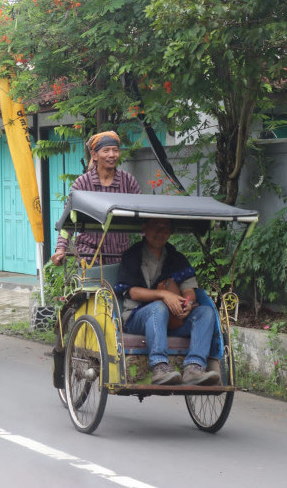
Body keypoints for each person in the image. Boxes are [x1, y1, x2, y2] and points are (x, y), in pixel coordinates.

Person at [116, 218, 221, 386]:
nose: (161, 232)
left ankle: (194, 366)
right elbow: (133, 292)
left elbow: (189, 291)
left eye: (166, 228)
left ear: (171, 232)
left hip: (172, 320)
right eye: (156, 226)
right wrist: (164, 295)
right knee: (159, 307)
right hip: (136, 318)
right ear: (145, 228)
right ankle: (159, 366)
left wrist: (187, 303)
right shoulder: (132, 255)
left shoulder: (176, 258)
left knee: (205, 312)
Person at [51, 131, 141, 266]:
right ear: (94, 155)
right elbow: (68, 221)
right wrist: (60, 249)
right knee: (94, 282)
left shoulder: (128, 181)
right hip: (88, 251)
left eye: (115, 150)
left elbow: (143, 215)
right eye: (106, 151)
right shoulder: (82, 183)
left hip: (119, 251)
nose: (112, 155)